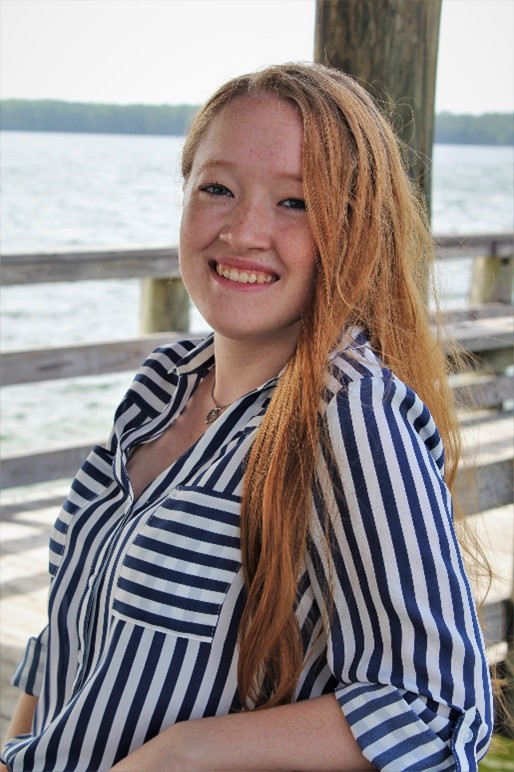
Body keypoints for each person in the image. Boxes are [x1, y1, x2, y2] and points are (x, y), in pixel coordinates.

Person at [1, 63, 493, 771]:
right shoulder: (159, 389)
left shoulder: (351, 414)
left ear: (354, 228)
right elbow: (73, 634)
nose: (243, 230)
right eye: (217, 189)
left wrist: (186, 752)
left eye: (295, 202)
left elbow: (442, 714)